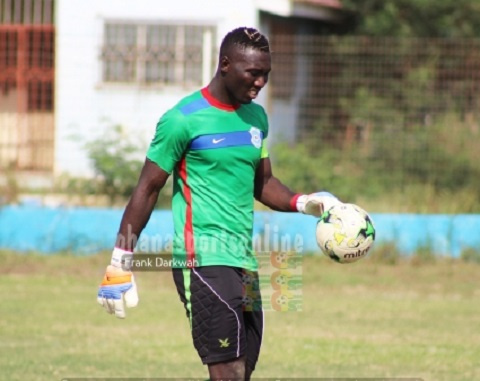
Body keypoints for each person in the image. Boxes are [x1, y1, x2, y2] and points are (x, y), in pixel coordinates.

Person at [97, 26, 341, 380]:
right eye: (253, 73)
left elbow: (264, 182)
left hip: (243, 260)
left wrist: (305, 202)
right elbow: (147, 189)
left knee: (242, 371)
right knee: (228, 370)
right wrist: (120, 262)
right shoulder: (183, 119)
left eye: (266, 75)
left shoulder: (256, 118)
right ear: (225, 64)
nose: (260, 83)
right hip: (202, 259)